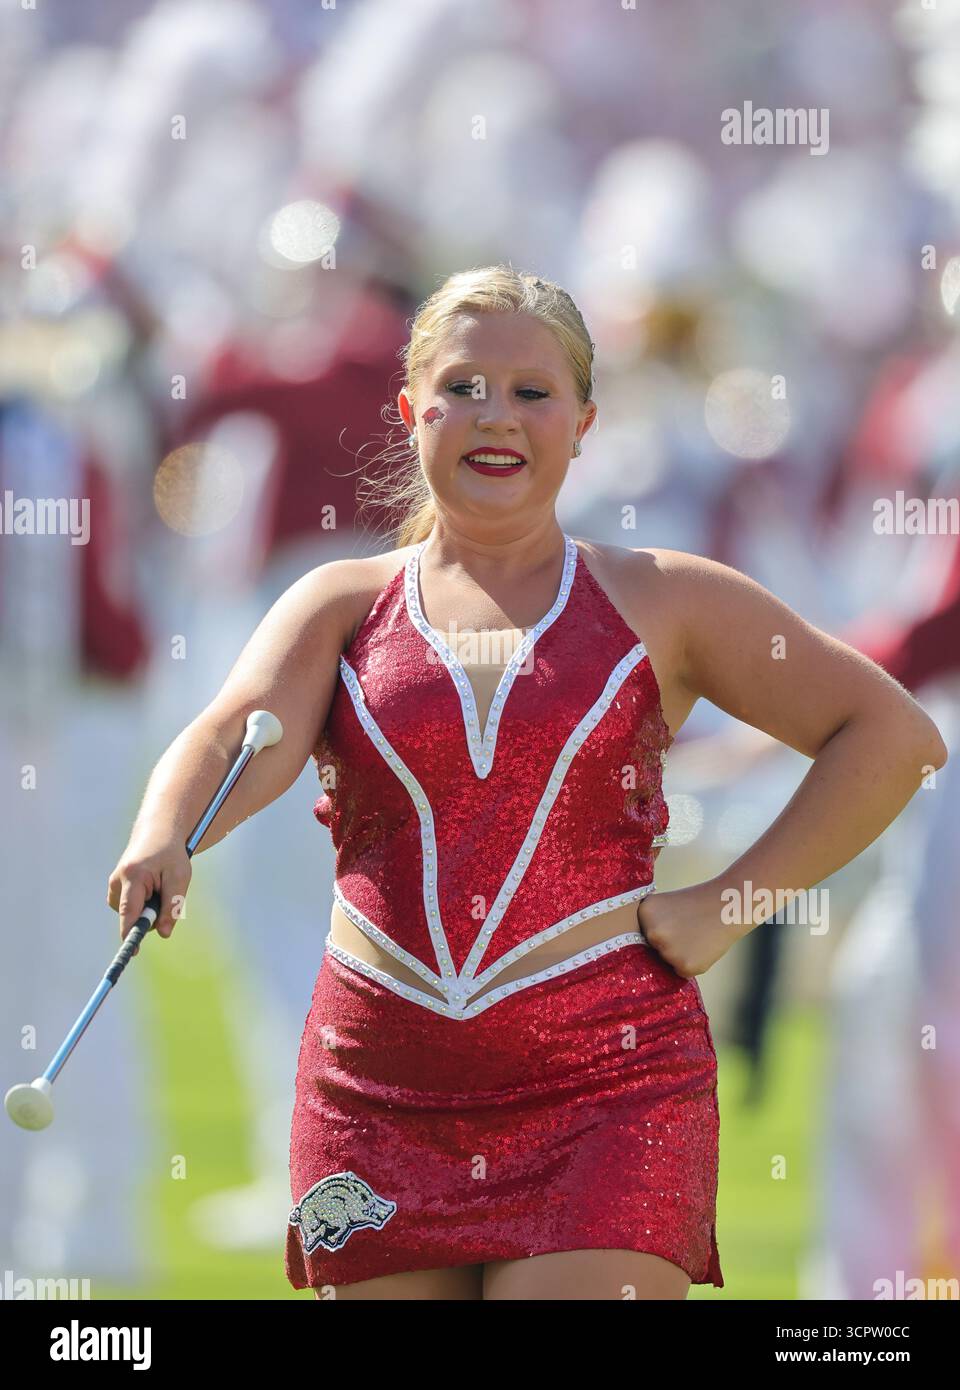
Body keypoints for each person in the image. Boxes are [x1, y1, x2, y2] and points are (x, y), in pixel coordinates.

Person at [106, 266, 948, 1301]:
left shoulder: (666, 598)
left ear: (584, 423)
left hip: (609, 1086)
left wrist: (728, 906)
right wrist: (165, 831)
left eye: (532, 392)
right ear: (411, 411)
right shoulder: (338, 602)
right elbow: (240, 731)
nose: (493, 416)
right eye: (461, 388)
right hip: (374, 1085)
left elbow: (892, 736)